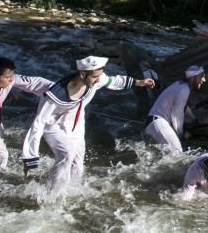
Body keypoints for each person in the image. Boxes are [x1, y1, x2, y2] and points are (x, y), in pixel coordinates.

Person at [22, 55, 155, 188]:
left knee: (78, 163)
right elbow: (38, 123)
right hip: (54, 126)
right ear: (82, 74)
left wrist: (139, 82)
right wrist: (30, 158)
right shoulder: (56, 94)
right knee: (67, 154)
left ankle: (73, 191)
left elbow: (112, 81)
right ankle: (52, 193)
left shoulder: (96, 79)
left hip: (77, 124)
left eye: (99, 76)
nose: (98, 80)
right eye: (94, 77)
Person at [143, 65, 205, 153]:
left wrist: (194, 121)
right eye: (202, 76)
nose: (204, 80)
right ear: (193, 77)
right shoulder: (184, 89)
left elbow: (184, 109)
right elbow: (177, 115)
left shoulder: (180, 85)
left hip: (153, 124)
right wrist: (182, 134)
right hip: (158, 123)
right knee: (177, 153)